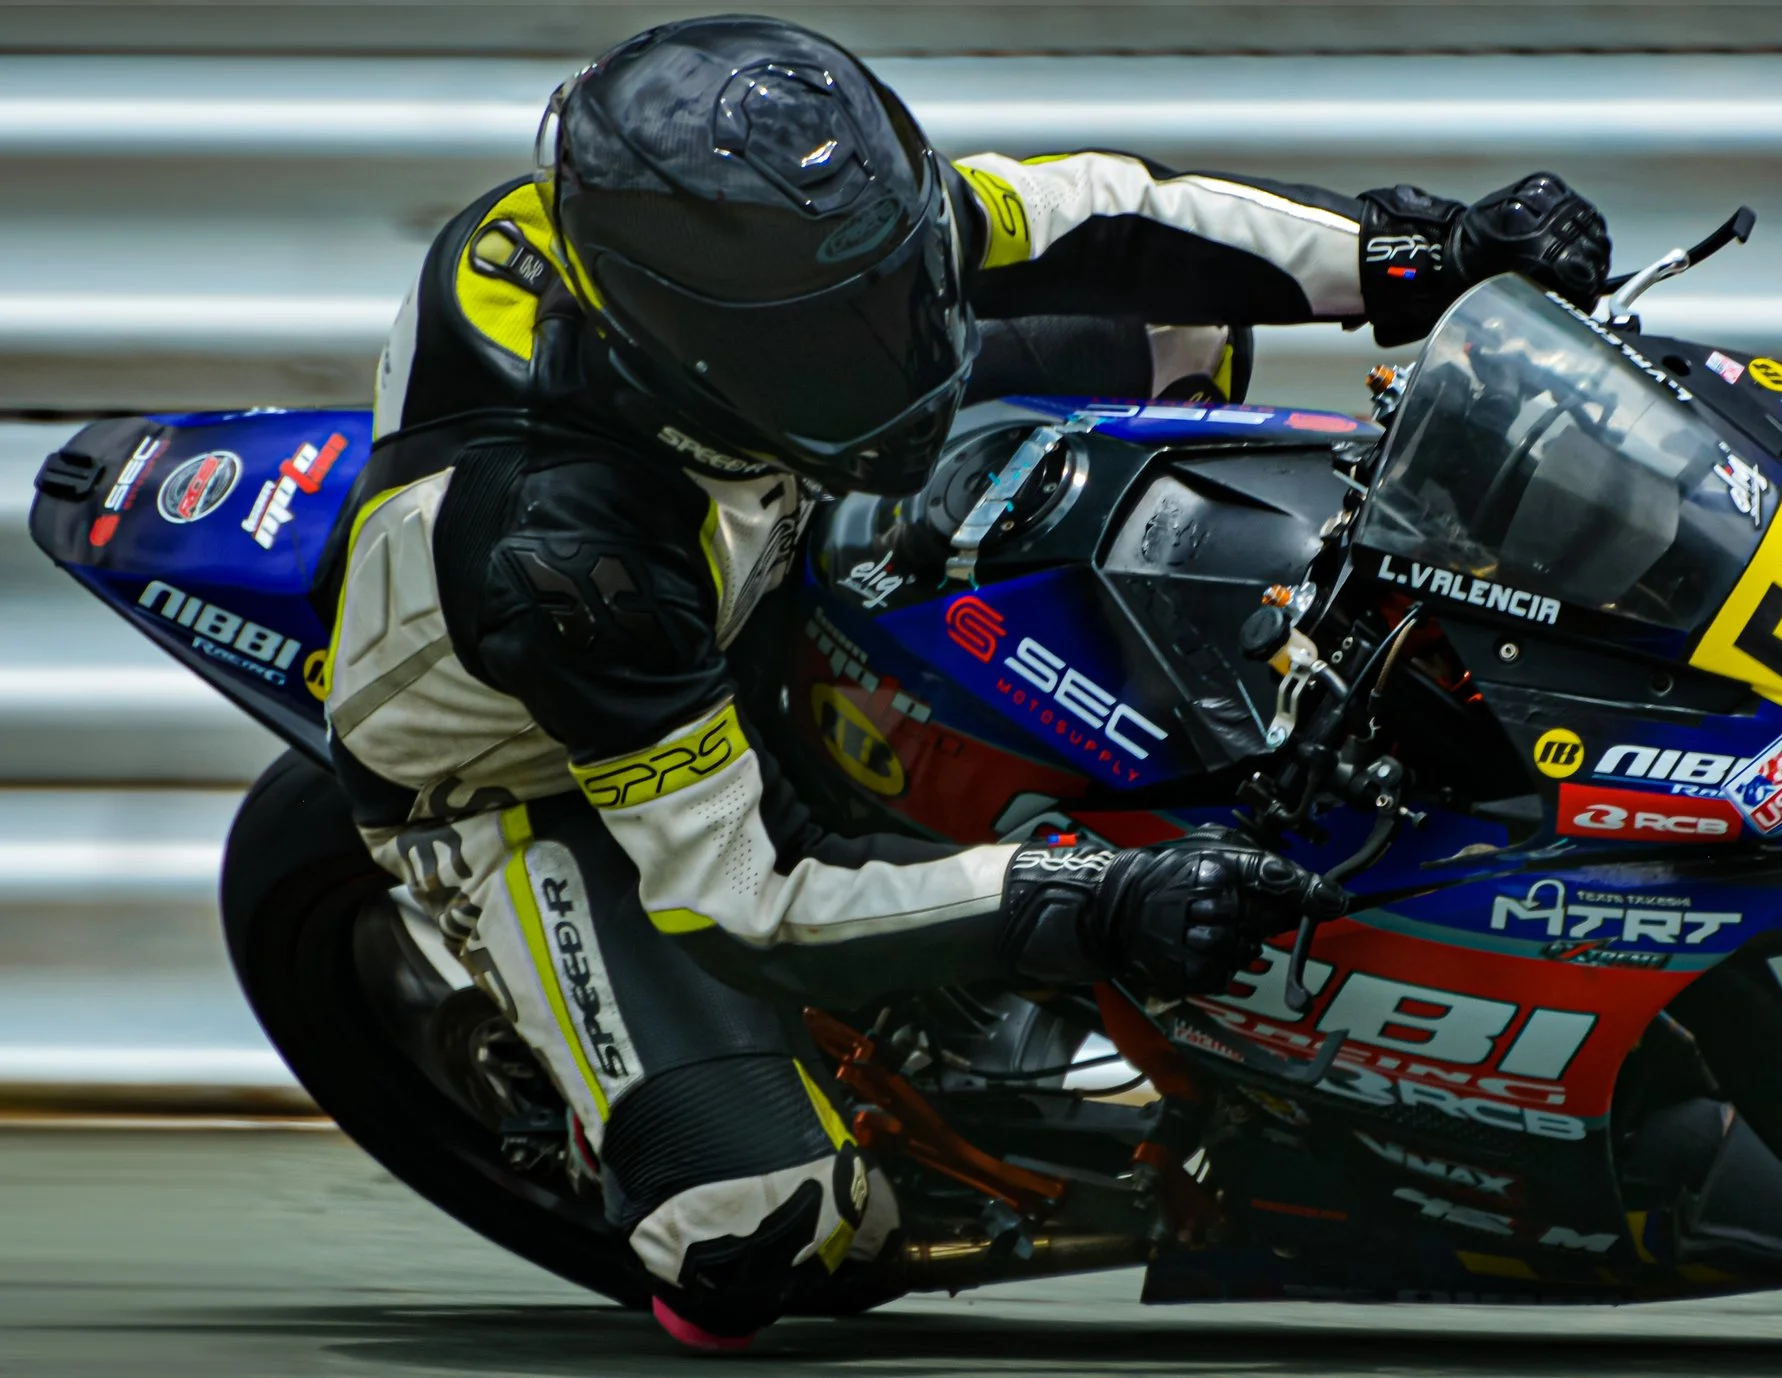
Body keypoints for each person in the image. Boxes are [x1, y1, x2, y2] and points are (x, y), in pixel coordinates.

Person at [325, 12, 1613, 1348]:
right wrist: (1093, 900)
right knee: (753, 1227)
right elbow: (743, 896)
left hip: (767, 514)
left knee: (1175, 314)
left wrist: (1422, 254)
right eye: (847, 327)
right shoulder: (566, 554)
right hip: (539, 770)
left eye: (901, 285)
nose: (904, 340)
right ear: (692, 345)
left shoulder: (764, 248)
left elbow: (1092, 214)